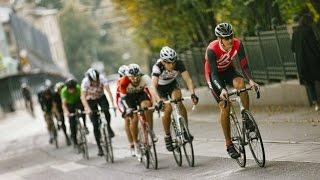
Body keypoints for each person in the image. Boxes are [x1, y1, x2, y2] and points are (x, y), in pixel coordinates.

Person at [204, 22, 260, 159]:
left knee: (241, 83)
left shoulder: (237, 44)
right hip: (214, 75)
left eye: (231, 36)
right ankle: (229, 144)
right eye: (226, 38)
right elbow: (214, 74)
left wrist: (251, 80)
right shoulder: (212, 49)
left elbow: (244, 65)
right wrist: (222, 89)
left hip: (228, 70)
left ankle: (246, 117)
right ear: (219, 39)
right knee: (225, 105)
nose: (230, 40)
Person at [151, 46, 199, 152]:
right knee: (167, 109)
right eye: (169, 63)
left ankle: (185, 130)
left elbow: (188, 79)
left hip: (172, 85)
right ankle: (167, 136)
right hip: (160, 89)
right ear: (163, 62)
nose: (172, 65)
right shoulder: (157, 67)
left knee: (178, 101)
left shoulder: (178, 63)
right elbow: (153, 86)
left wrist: (193, 94)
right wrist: (158, 100)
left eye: (173, 62)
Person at [119, 63, 156, 158]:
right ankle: (135, 143)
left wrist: (155, 102)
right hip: (129, 98)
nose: (135, 79)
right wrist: (128, 109)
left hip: (140, 95)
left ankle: (150, 130)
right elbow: (122, 99)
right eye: (132, 77)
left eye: (137, 76)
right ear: (128, 77)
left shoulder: (145, 78)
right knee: (134, 119)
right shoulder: (123, 81)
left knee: (147, 107)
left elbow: (152, 91)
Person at [81, 68, 116, 156]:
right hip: (91, 100)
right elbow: (83, 97)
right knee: (95, 125)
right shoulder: (85, 82)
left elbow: (109, 92)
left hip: (101, 97)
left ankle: (108, 126)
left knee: (106, 110)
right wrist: (88, 108)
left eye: (96, 81)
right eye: (93, 81)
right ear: (89, 79)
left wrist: (113, 103)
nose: (95, 83)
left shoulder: (102, 78)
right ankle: (100, 148)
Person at [291, 14, 320, 111]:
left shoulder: (295, 33)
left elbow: (293, 48)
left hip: (302, 63)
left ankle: (316, 103)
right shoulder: (308, 31)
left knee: (310, 83)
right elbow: (314, 46)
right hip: (312, 60)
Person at [61, 79, 88, 149]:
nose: (72, 90)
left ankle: (84, 125)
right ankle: (75, 141)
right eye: (70, 89)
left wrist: (86, 107)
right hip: (69, 105)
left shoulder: (78, 88)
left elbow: (82, 98)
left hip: (77, 102)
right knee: (72, 124)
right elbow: (64, 104)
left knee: (83, 110)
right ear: (67, 88)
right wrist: (66, 112)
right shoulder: (64, 91)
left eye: (73, 88)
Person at [116, 65, 135, 156]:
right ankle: (132, 144)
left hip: (132, 97)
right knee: (127, 119)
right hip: (122, 101)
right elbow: (119, 100)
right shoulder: (120, 82)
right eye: (122, 76)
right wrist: (124, 111)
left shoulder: (131, 78)